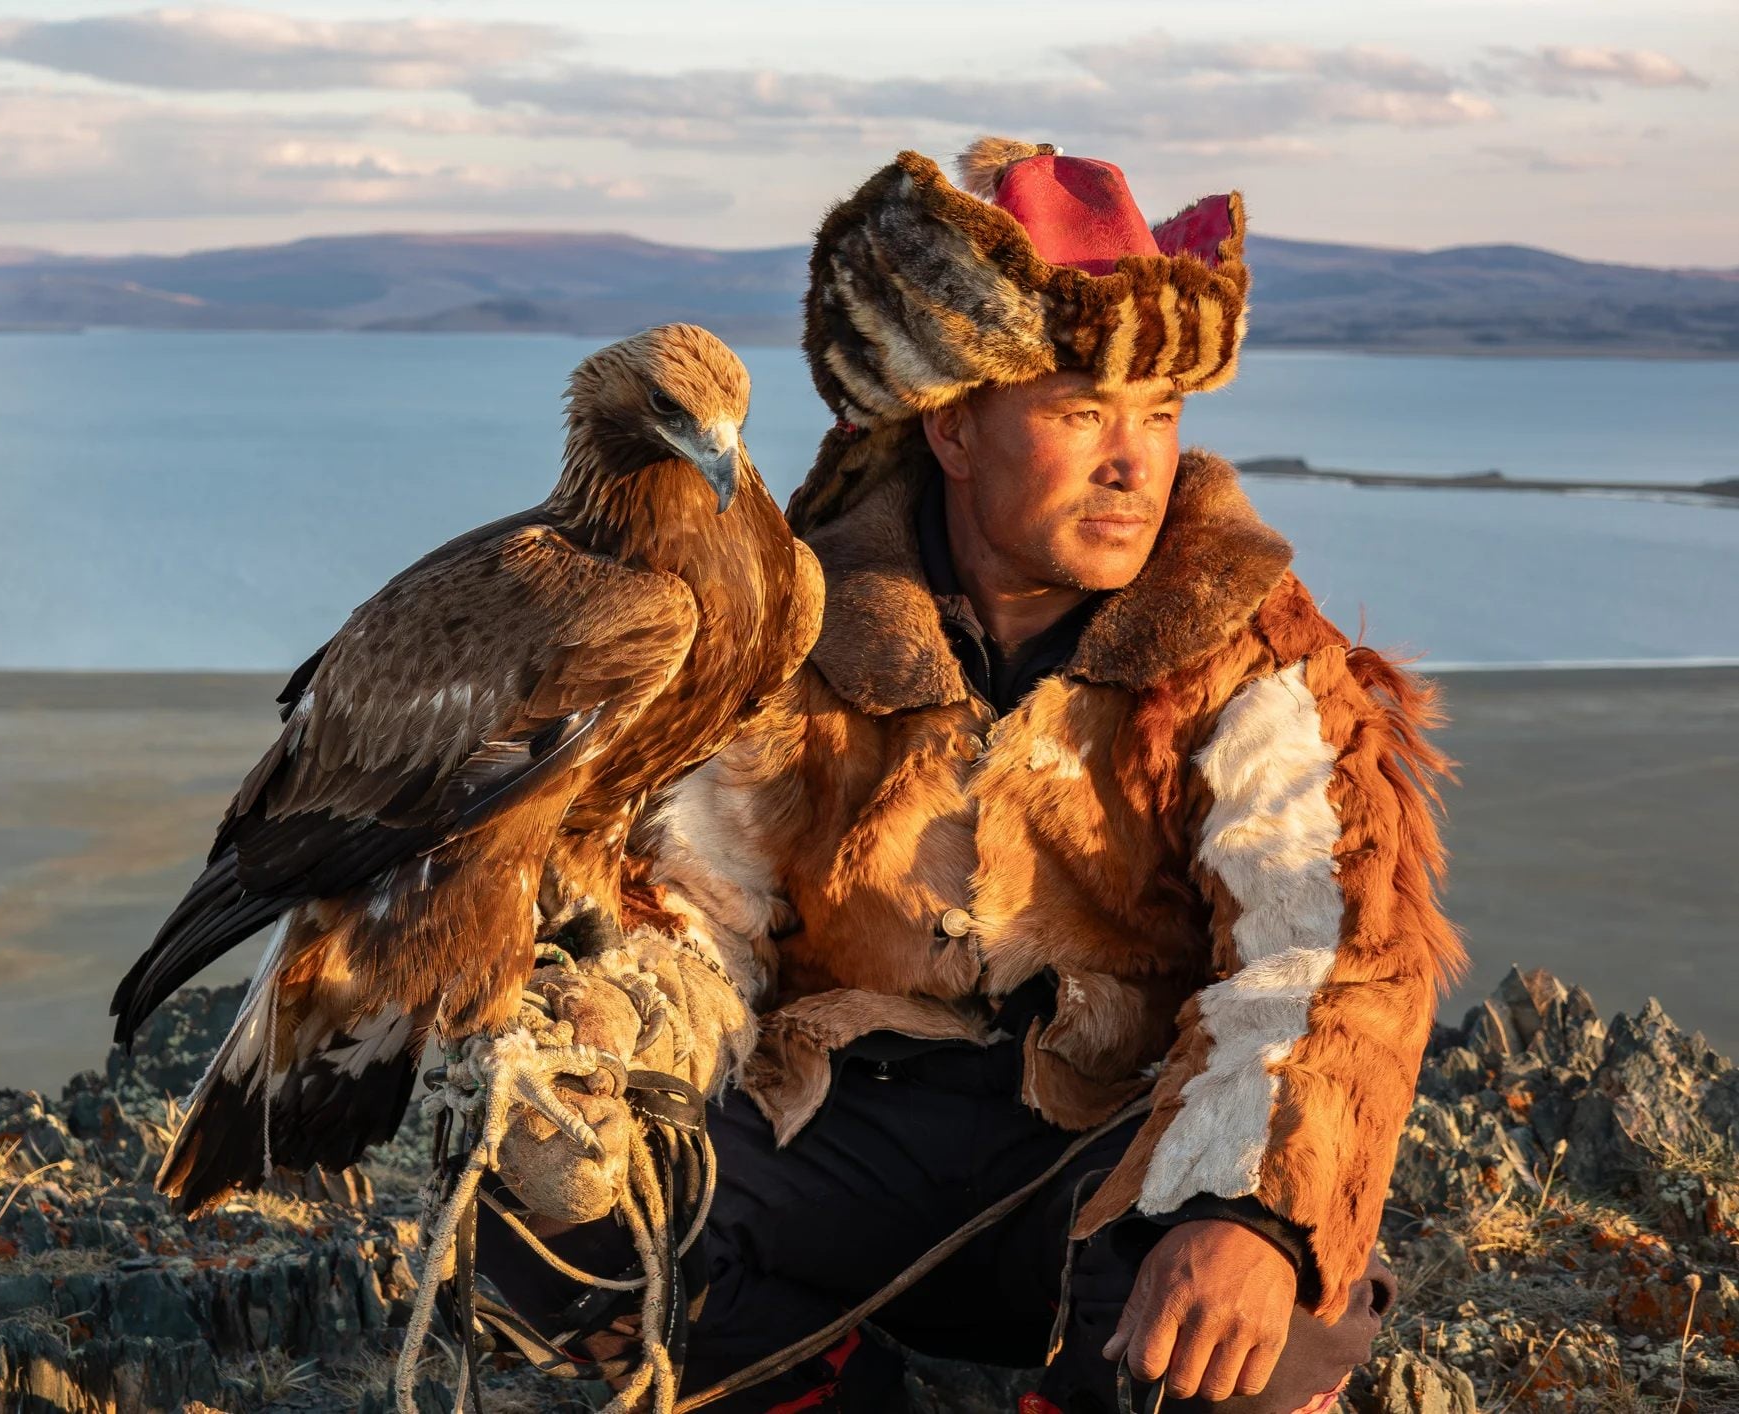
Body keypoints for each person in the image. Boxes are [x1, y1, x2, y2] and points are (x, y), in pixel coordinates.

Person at [483, 137, 1462, 1414]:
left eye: (1159, 416)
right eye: (1079, 413)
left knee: (1249, 1333)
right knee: (564, 1236)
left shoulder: (1248, 643)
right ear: (953, 425)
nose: (1135, 464)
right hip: (847, 1123)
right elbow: (700, 915)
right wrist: (614, 1046)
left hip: (1119, 1148)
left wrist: (1254, 1218)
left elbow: (1325, 966)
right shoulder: (799, 624)